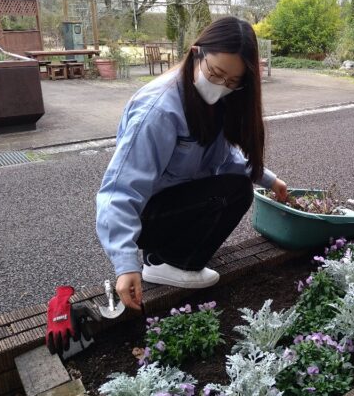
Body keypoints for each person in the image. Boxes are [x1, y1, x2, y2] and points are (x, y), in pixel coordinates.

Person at [96, 17, 287, 311]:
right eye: (216, 73)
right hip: (148, 216)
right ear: (197, 52)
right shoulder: (159, 109)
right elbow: (120, 189)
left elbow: (224, 156)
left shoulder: (212, 101)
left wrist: (267, 179)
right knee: (232, 192)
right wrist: (124, 265)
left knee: (235, 186)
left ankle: (167, 256)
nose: (222, 86)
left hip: (171, 207)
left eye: (233, 82)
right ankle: (164, 262)